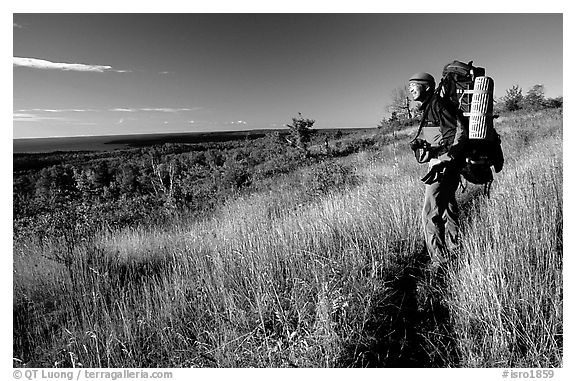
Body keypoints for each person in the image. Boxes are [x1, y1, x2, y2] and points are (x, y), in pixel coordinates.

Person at [408, 72, 469, 271]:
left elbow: (459, 133)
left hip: (442, 166)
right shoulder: (430, 107)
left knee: (429, 213)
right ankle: (454, 247)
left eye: (414, 85)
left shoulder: (438, 105)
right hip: (447, 164)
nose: (410, 89)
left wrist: (441, 159)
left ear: (426, 87)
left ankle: (438, 261)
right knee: (448, 206)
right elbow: (441, 136)